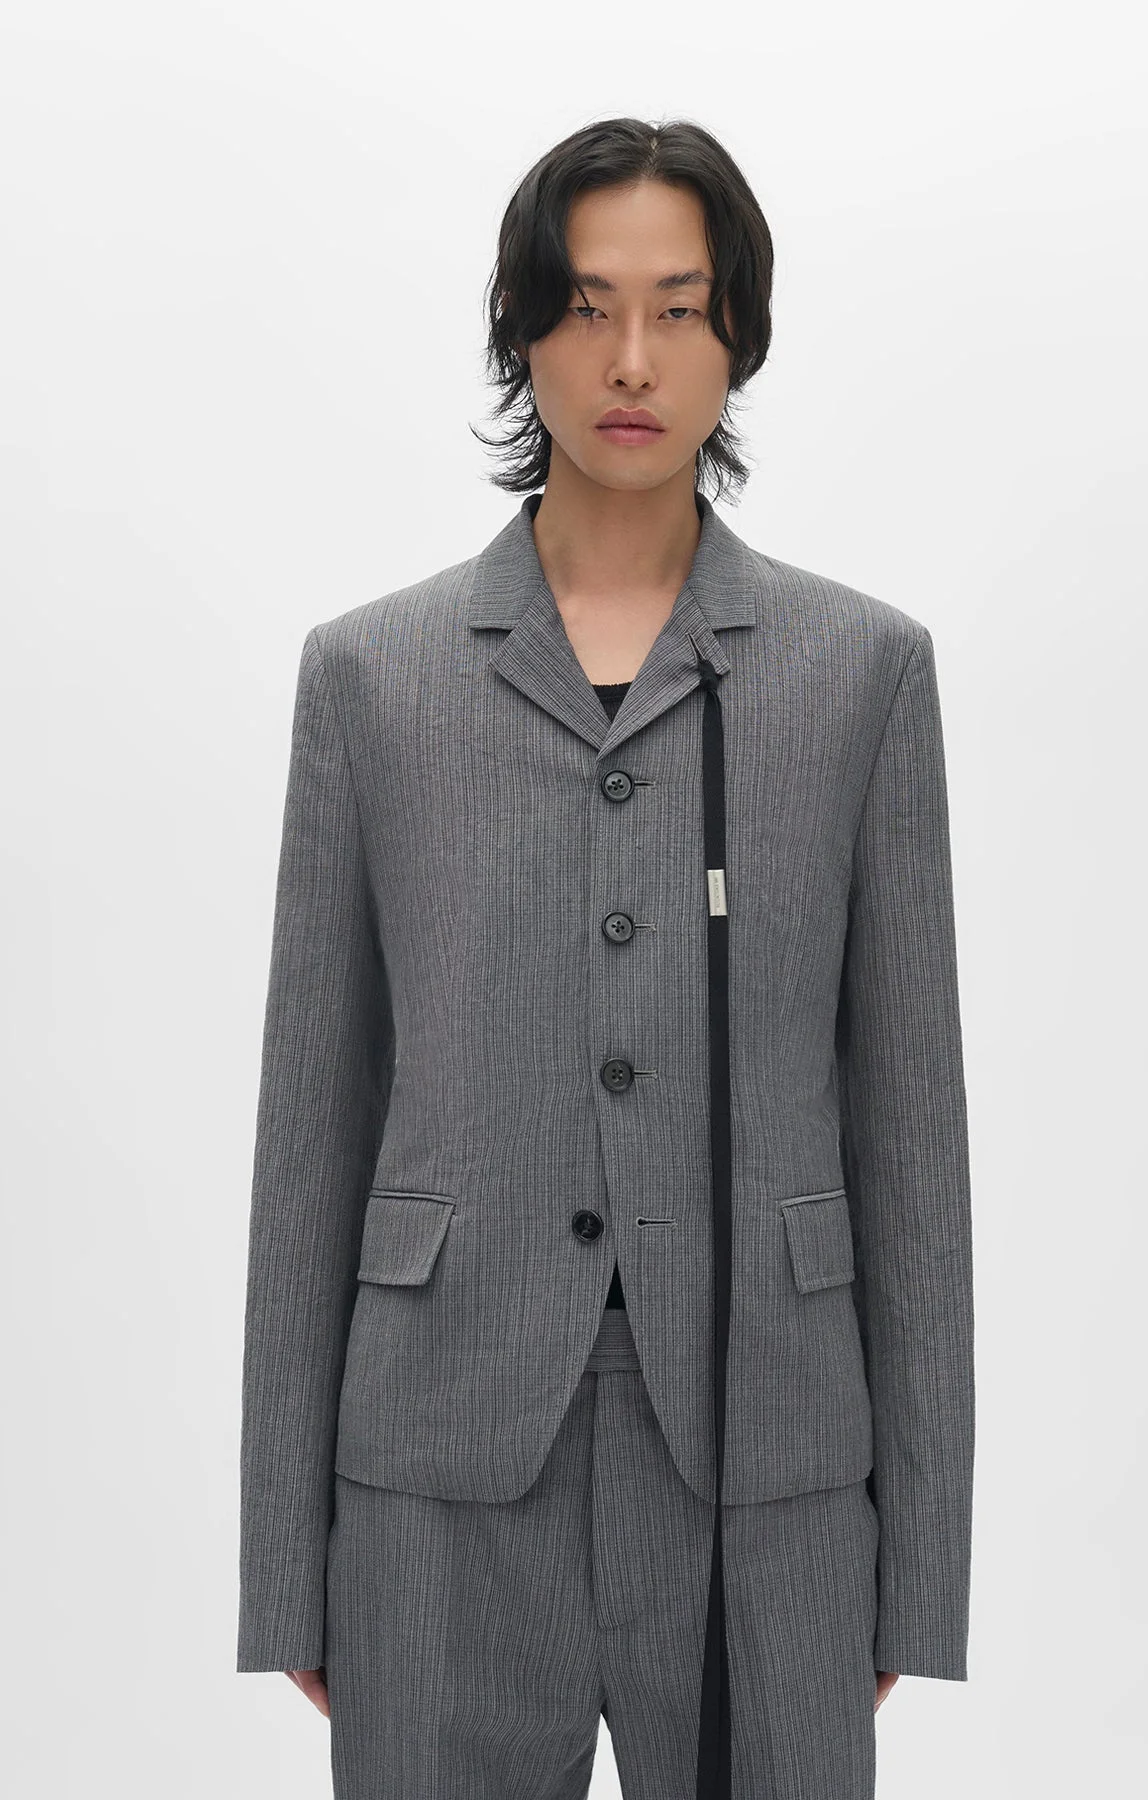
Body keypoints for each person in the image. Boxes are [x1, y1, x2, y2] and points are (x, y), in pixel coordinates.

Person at [236, 115, 975, 1800]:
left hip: (772, 1474)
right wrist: (287, 1559)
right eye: (583, 307)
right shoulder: (372, 679)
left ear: (740, 336)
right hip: (435, 1471)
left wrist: (916, 1571)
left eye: (680, 309)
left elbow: (912, 1143)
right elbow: (309, 1137)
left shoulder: (862, 673)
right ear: (519, 329)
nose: (631, 359)